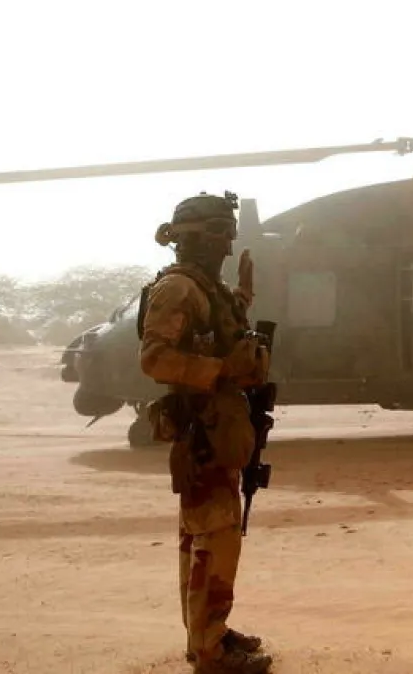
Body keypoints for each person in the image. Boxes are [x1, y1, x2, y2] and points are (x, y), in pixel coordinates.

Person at [138, 191, 274, 674]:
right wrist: (221, 370)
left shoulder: (207, 288)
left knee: (210, 538)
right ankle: (210, 651)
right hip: (203, 429)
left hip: (221, 427)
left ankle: (209, 630)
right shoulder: (178, 289)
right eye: (222, 234)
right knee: (211, 540)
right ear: (200, 238)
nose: (229, 244)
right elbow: (155, 358)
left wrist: (244, 297)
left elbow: (215, 325)